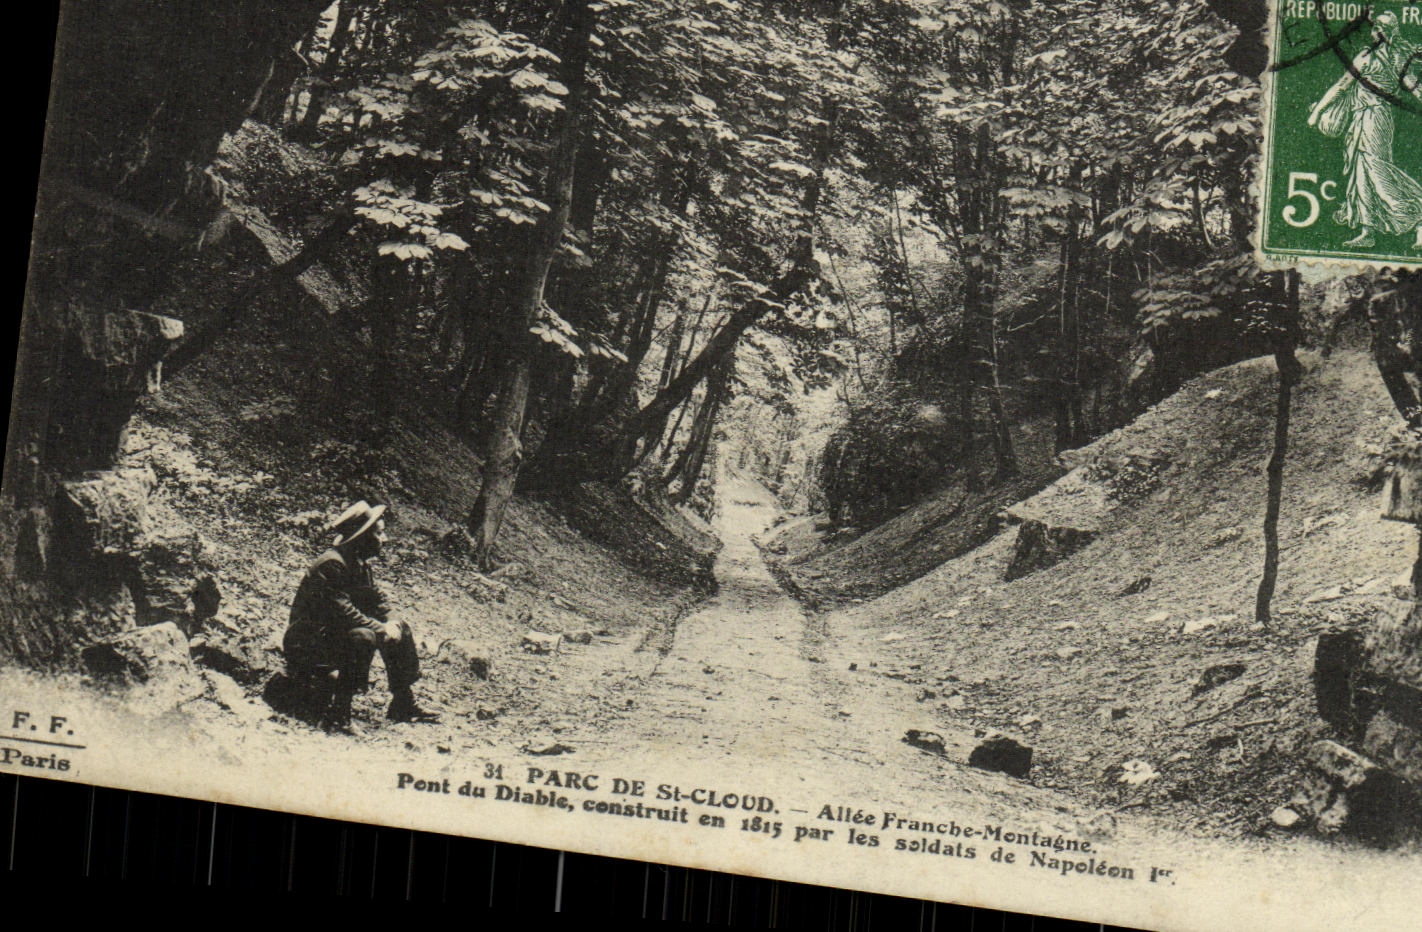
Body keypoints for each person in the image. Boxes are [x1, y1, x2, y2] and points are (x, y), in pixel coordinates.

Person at [283, 501, 439, 730]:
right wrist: (381, 628)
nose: (384, 539)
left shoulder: (358, 564)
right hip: (307, 642)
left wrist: (392, 622)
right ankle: (339, 713)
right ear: (362, 536)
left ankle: (402, 703)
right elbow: (342, 612)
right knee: (364, 636)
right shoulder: (332, 565)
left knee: (399, 627)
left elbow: (377, 601)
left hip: (331, 636)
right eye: (379, 533)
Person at [1308, 11, 1422, 250]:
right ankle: (1367, 230)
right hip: (1363, 119)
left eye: (1374, 30)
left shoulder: (1370, 58)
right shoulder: (1396, 58)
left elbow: (1341, 87)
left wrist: (1317, 112)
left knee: (1377, 170)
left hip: (1374, 118)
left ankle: (1417, 215)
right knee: (1361, 172)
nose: (1370, 34)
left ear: (1381, 33)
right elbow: (1415, 88)